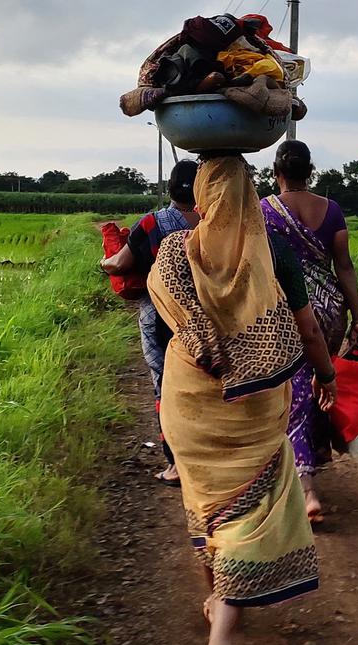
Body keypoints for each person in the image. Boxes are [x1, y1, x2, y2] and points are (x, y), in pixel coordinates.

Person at [147, 155, 337, 645]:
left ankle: (215, 601)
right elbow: (310, 329)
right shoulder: (273, 250)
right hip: (251, 408)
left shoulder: (172, 252)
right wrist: (326, 376)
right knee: (247, 512)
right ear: (250, 195)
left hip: (188, 404)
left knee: (206, 501)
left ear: (204, 196)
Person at [260, 140, 358, 522]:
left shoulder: (265, 211)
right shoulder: (332, 211)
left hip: (288, 311)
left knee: (296, 388)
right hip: (331, 312)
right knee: (322, 381)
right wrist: (357, 319)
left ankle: (306, 488)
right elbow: (345, 267)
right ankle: (316, 453)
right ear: (311, 172)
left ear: (277, 173)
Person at [101, 160, 200, 487]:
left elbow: (119, 264)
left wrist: (105, 262)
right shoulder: (212, 223)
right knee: (204, 383)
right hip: (205, 318)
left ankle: (175, 463)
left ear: (170, 188)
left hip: (160, 317)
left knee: (165, 385)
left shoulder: (152, 223)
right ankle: (206, 456)